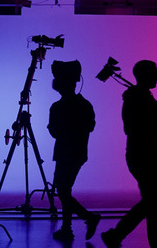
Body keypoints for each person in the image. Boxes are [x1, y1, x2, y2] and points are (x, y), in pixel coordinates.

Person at [101, 60, 157, 248]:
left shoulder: (141, 97)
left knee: (152, 201)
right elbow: (137, 128)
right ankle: (147, 242)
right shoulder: (136, 99)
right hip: (143, 157)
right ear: (145, 75)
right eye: (155, 73)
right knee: (155, 201)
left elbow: (150, 126)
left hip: (146, 156)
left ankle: (117, 236)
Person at [47, 60, 101, 241]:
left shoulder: (57, 107)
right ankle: (68, 227)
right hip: (77, 153)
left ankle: (84, 220)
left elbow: (54, 131)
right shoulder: (85, 105)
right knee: (64, 191)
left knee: (63, 191)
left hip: (65, 153)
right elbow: (90, 126)